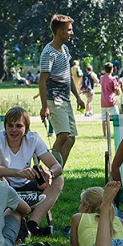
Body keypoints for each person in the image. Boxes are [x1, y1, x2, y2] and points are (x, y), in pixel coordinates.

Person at [0, 106, 64, 236]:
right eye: (10, 125)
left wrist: (50, 174)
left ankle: (31, 226)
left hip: (27, 184)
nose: (14, 130)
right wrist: (18, 172)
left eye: (19, 126)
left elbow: (57, 166)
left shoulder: (33, 139)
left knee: (58, 180)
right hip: (5, 185)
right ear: (5, 127)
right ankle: (12, 222)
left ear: (26, 129)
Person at [39, 14, 86, 165]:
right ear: (59, 32)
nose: (72, 32)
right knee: (63, 134)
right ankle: (50, 171)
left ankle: (58, 172)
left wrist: (77, 97)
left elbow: (68, 76)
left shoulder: (65, 49)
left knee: (70, 138)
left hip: (65, 100)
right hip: (54, 99)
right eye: (69, 30)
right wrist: (44, 107)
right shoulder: (48, 53)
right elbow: (42, 81)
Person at [99, 62, 121, 136]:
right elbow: (116, 90)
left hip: (103, 101)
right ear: (112, 70)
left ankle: (105, 135)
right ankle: (117, 133)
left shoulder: (102, 78)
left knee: (104, 119)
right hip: (111, 101)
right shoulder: (113, 79)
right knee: (116, 118)